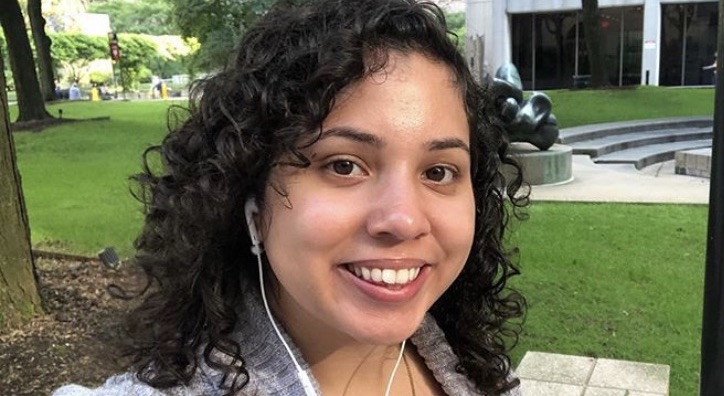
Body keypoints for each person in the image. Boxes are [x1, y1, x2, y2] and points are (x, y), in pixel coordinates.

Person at [53, 0, 527, 395]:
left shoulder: (479, 372)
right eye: (344, 165)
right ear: (251, 202)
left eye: (439, 171)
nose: (403, 220)